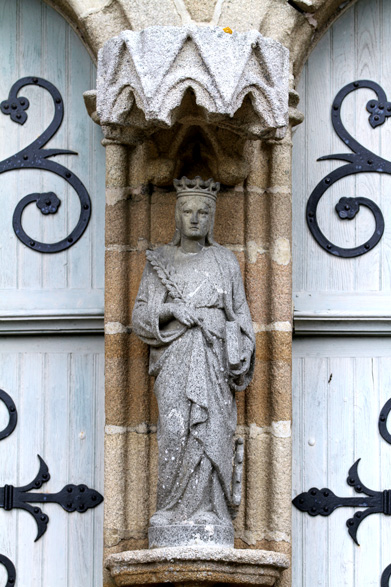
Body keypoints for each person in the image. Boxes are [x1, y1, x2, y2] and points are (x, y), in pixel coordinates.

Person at [132, 176, 255, 546]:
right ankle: (170, 509)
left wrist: (234, 342)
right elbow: (140, 317)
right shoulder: (161, 262)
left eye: (204, 212)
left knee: (211, 433)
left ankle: (211, 512)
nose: (196, 218)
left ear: (212, 218)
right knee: (175, 432)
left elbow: (242, 319)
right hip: (175, 358)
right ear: (177, 216)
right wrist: (170, 309)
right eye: (188, 211)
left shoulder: (224, 261)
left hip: (213, 358)